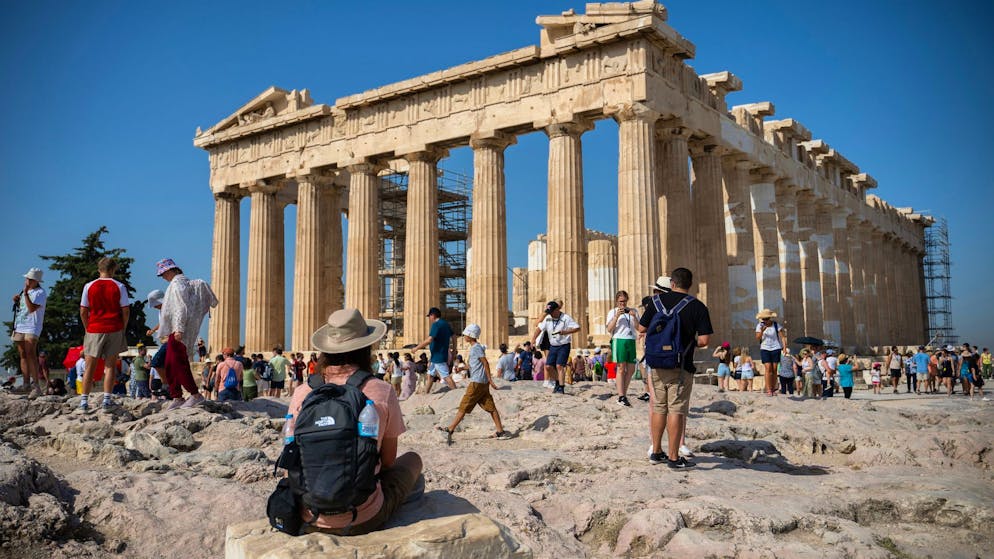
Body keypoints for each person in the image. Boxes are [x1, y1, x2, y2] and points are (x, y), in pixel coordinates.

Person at [288, 308, 422, 535]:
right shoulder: (381, 390)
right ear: (365, 347)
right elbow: (388, 462)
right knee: (412, 460)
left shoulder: (302, 392)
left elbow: (289, 457)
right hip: (363, 517)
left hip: (310, 514)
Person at [636, 268, 712, 469]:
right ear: (690, 284)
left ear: (672, 284)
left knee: (659, 407)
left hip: (656, 363)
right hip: (681, 364)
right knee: (676, 409)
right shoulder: (697, 306)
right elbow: (704, 340)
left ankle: (656, 451)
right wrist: (687, 343)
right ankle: (673, 457)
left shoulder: (655, 302)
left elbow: (641, 329)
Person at [154, 258, 216, 410]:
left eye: (163, 274)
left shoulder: (177, 283)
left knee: (178, 363)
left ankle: (195, 395)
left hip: (178, 330)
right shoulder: (180, 283)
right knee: (169, 363)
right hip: (175, 329)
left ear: (171, 270)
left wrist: (179, 328)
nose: (162, 277)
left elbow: (181, 307)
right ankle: (177, 396)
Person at [437, 324, 511, 444]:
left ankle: (450, 429)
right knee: (490, 406)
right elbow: (473, 366)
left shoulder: (476, 347)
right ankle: (500, 431)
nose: (464, 335)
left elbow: (485, 363)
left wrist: (490, 380)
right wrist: (462, 369)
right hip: (482, 382)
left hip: (477, 382)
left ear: (471, 336)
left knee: (464, 405)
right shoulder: (475, 348)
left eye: (466, 334)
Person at [79, 258, 130, 412]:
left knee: (89, 367)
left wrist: (87, 328)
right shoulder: (119, 286)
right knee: (110, 366)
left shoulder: (89, 286)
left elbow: (83, 310)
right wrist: (123, 327)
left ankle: (84, 401)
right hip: (114, 327)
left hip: (94, 328)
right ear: (113, 269)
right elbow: (126, 310)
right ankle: (107, 400)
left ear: (98, 268)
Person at [11, 267, 47, 398]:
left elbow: (32, 309)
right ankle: (26, 384)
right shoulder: (24, 292)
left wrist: (25, 294)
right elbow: (23, 308)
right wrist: (17, 299)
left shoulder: (40, 293)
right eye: (27, 278)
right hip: (20, 325)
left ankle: (36, 385)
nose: (27, 281)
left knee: (31, 353)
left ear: (36, 281)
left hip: (32, 326)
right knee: (23, 354)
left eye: (30, 279)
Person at [532, 300, 581, 395]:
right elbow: (539, 328)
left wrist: (566, 332)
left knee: (559, 366)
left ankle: (561, 388)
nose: (549, 314)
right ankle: (558, 382)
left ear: (557, 310)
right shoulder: (548, 318)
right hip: (553, 345)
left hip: (564, 345)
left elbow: (577, 328)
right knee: (549, 366)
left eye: (551, 312)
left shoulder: (566, 318)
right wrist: (533, 340)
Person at [606, 290, 640, 406]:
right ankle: (621, 396)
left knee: (631, 370)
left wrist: (634, 317)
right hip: (619, 340)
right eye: (620, 302)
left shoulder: (634, 311)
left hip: (631, 340)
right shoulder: (612, 312)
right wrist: (616, 316)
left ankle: (623, 394)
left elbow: (639, 328)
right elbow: (609, 329)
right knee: (621, 368)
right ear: (616, 301)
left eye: (624, 301)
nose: (623, 304)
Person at [411, 307, 456, 394]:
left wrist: (416, 348)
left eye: (430, 316)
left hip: (438, 355)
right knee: (430, 375)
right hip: (436, 355)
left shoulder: (436, 324)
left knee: (446, 376)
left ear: (433, 315)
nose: (429, 318)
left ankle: (456, 392)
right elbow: (454, 336)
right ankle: (426, 393)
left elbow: (429, 340)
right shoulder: (445, 324)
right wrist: (454, 350)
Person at [754, 308, 787, 396]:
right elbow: (757, 338)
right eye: (763, 319)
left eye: (767, 319)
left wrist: (784, 347)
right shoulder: (759, 326)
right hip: (765, 348)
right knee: (768, 368)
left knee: (775, 369)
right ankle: (768, 389)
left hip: (776, 347)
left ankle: (773, 388)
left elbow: (783, 337)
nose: (765, 321)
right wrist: (762, 331)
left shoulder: (776, 325)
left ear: (770, 318)